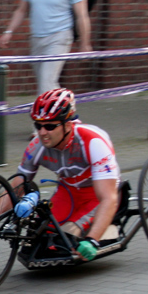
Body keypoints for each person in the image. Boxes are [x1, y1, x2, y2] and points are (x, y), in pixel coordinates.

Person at [8, 88, 119, 261]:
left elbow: (108, 198)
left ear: (68, 125)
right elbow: (17, 187)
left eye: (50, 126)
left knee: (66, 237)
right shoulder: (36, 146)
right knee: (39, 236)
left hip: (96, 194)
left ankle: (106, 230)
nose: (42, 132)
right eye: (38, 125)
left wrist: (92, 240)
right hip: (67, 191)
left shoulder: (93, 142)